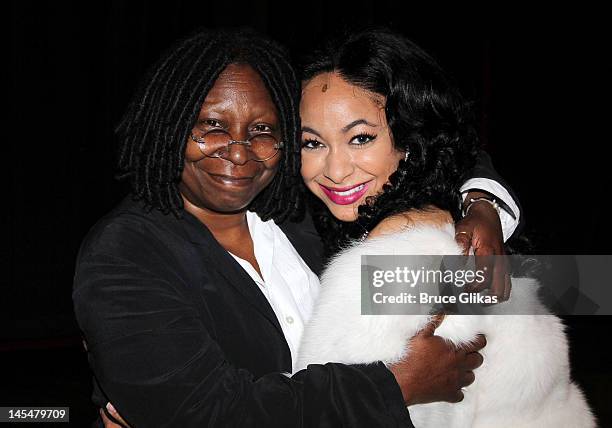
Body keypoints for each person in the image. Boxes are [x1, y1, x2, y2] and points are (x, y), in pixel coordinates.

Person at [74, 28, 518, 428]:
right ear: (168, 126)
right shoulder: (126, 251)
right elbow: (210, 413)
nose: (239, 153)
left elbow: (436, 148)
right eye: (211, 127)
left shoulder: (300, 210)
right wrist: (393, 385)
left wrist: (480, 203)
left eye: (263, 130)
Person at [296, 28, 595, 427]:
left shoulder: (391, 259)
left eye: (361, 138)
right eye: (313, 143)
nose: (334, 170)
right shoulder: (449, 225)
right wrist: (481, 200)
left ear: (410, 138)